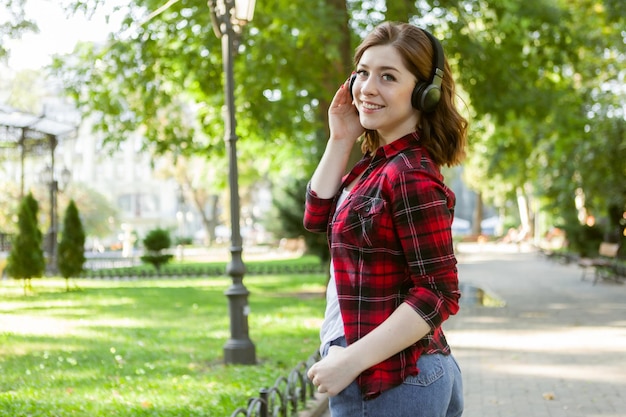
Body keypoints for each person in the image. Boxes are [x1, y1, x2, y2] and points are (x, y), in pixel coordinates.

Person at [303, 21, 467, 417]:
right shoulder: (380, 166)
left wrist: (350, 360)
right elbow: (315, 215)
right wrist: (340, 138)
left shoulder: (408, 173)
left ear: (424, 94)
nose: (367, 88)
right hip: (396, 377)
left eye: (388, 76)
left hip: (392, 382)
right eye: (362, 73)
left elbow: (438, 292)